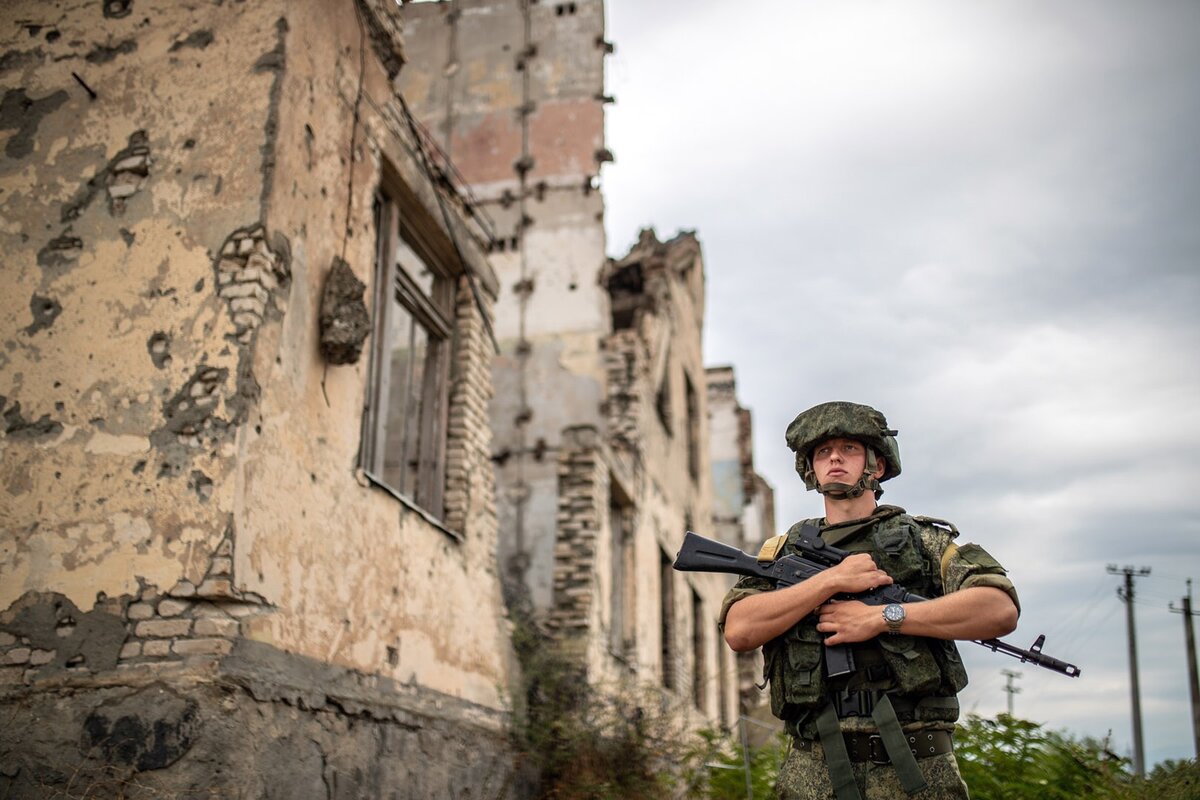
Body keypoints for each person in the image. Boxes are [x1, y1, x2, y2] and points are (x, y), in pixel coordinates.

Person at [721, 402, 1019, 800]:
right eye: (823, 452)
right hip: (813, 771)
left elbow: (998, 609)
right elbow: (740, 629)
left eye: (849, 448)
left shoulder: (922, 541)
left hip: (916, 767)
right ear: (811, 469)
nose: (835, 459)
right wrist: (830, 581)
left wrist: (883, 617)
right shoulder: (782, 552)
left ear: (875, 466)